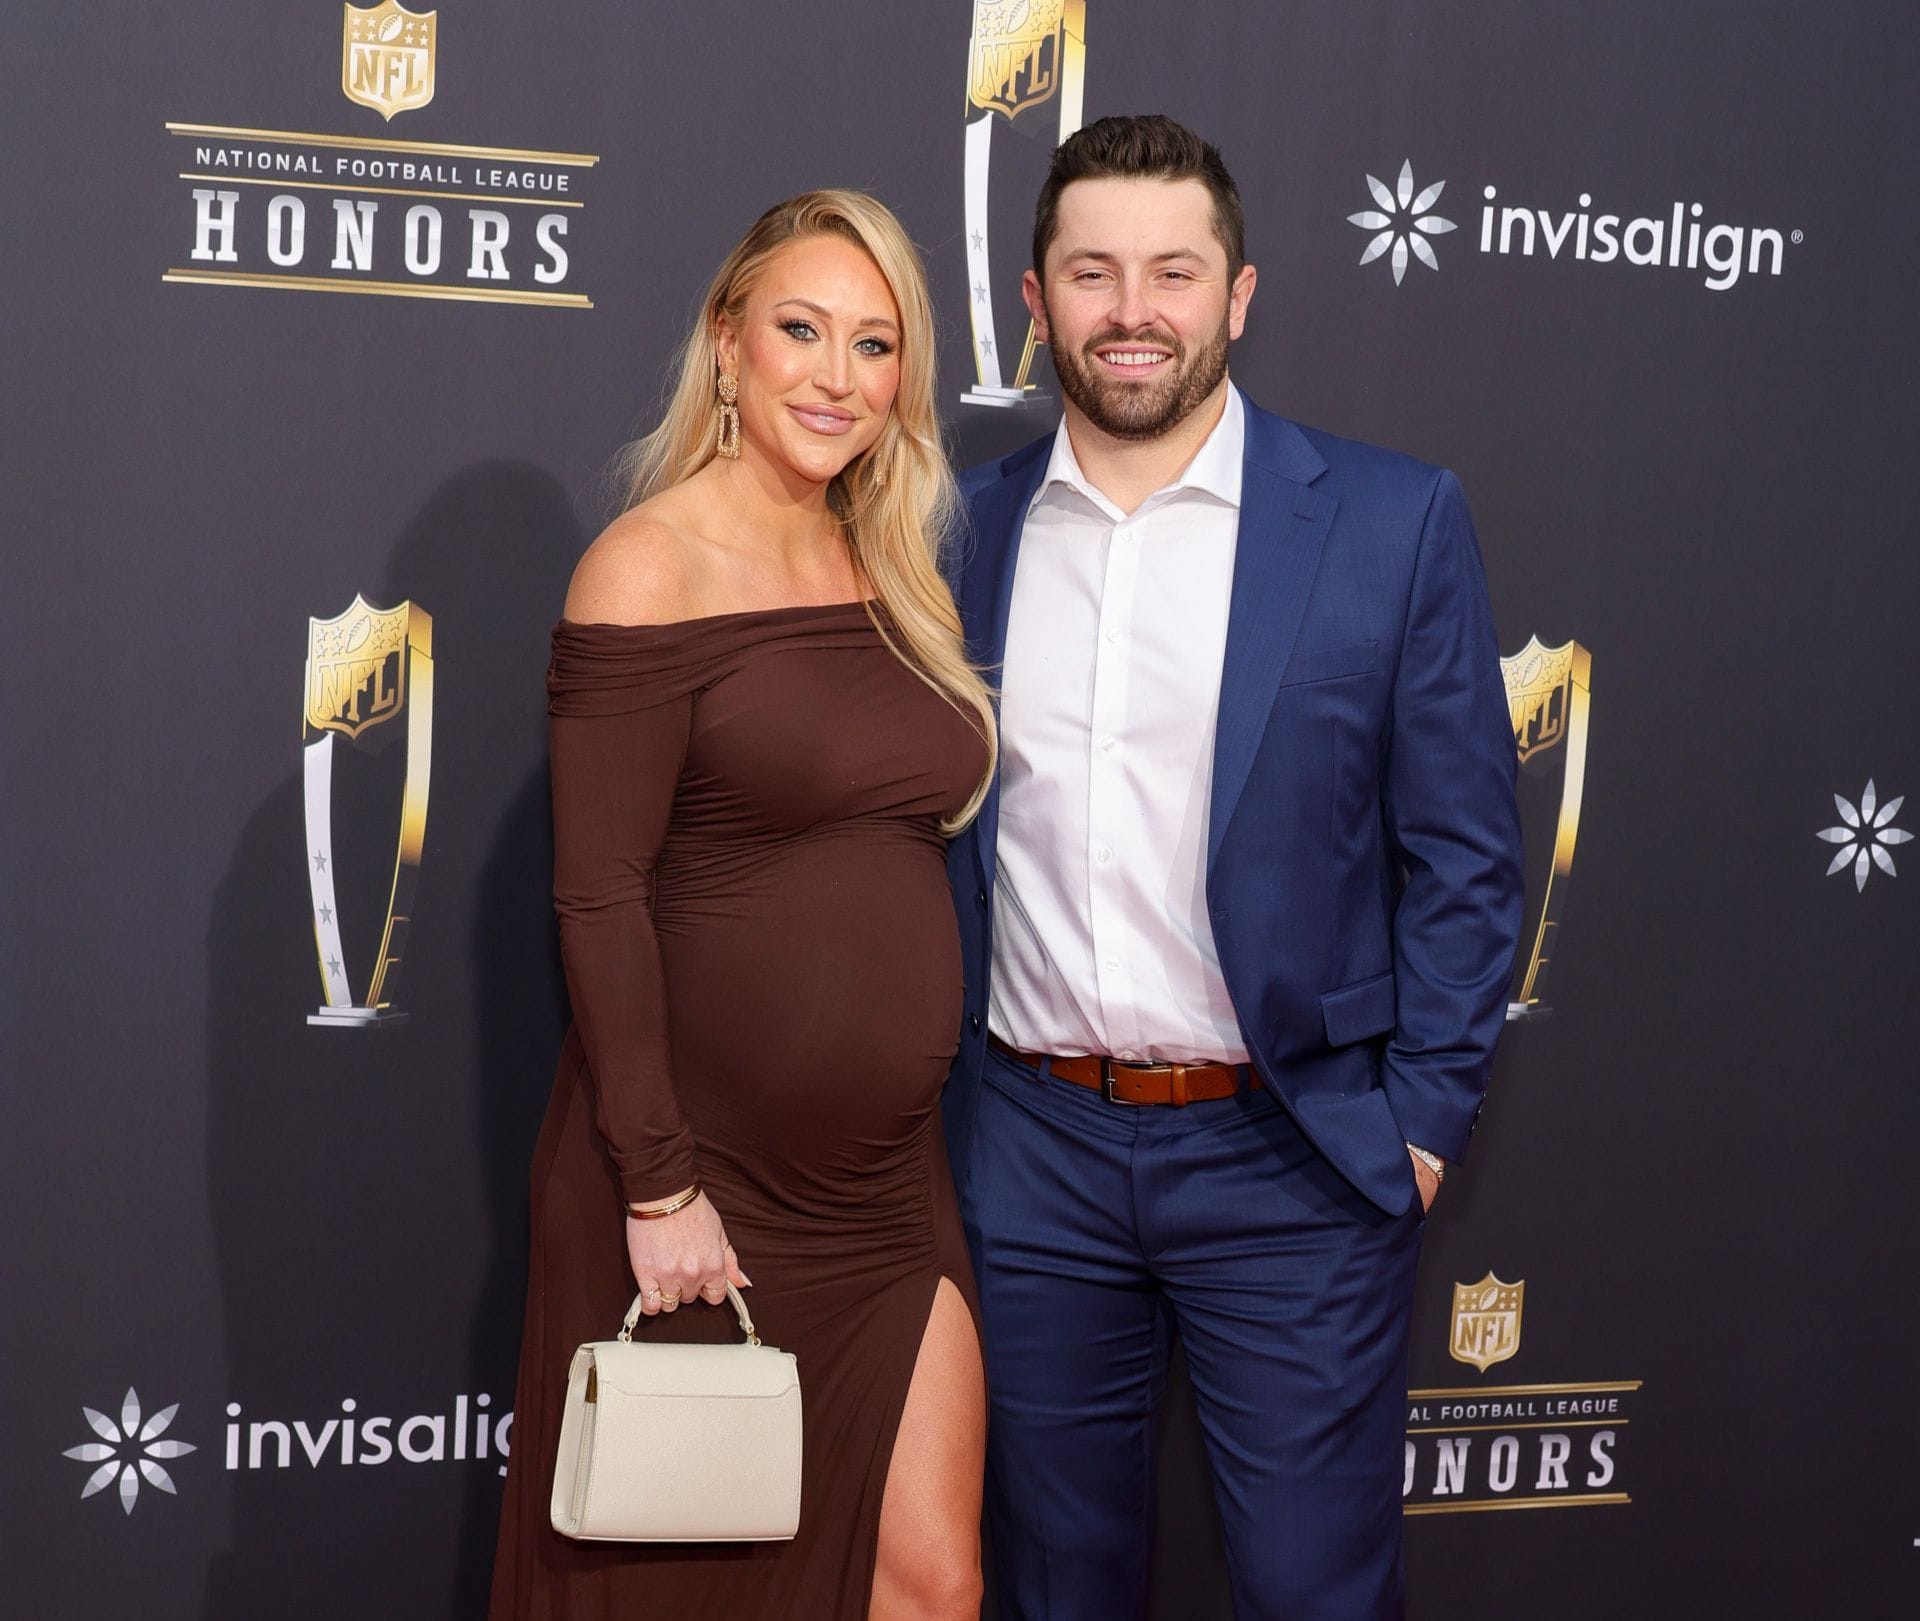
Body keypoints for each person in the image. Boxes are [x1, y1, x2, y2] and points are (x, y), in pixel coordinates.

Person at [942, 116, 1525, 1619]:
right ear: (1033, 298)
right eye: (1092, 271)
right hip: (1029, 1151)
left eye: (1173, 272)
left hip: (1294, 1155)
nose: (1132, 310)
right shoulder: (953, 532)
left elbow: (1466, 854)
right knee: (1058, 1583)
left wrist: (1420, 1120)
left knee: (1307, 1589)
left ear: (1240, 294)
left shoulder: (1392, 523)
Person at [490, 190, 994, 1621]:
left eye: (876, 343)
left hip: (890, 1189)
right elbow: (597, 891)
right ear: (728, 346)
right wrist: (657, 1181)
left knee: (934, 1578)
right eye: (801, 329)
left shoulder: (894, 573)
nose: (837, 375)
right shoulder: (647, 567)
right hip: (698, 1183)